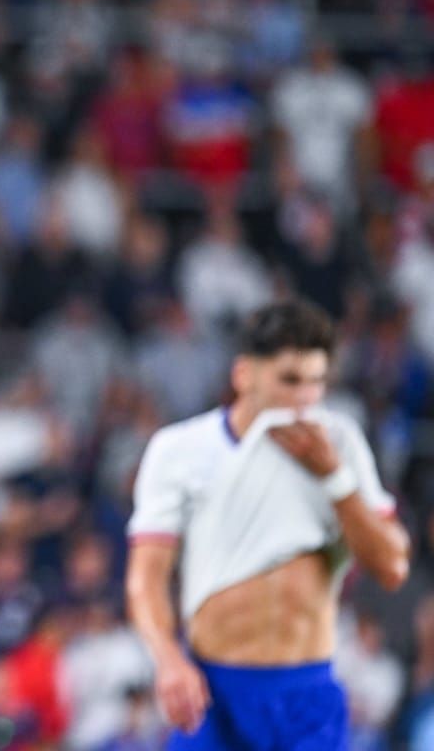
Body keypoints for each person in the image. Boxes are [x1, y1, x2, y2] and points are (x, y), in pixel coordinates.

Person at [124, 299, 410, 749]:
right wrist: (168, 659)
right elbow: (146, 576)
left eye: (317, 381)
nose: (306, 398)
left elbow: (392, 566)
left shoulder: (341, 444)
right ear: (244, 375)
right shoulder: (179, 450)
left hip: (305, 693)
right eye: (290, 380)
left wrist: (335, 479)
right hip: (213, 693)